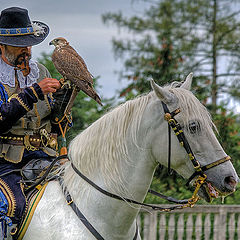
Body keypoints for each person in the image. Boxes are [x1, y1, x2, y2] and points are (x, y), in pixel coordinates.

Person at [0, 6, 72, 230]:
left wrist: (64, 105)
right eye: (19, 44)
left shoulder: (40, 71)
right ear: (1, 45)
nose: (27, 50)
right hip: (5, 163)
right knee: (10, 206)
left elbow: (57, 124)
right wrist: (32, 93)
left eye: (29, 43)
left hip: (45, 156)